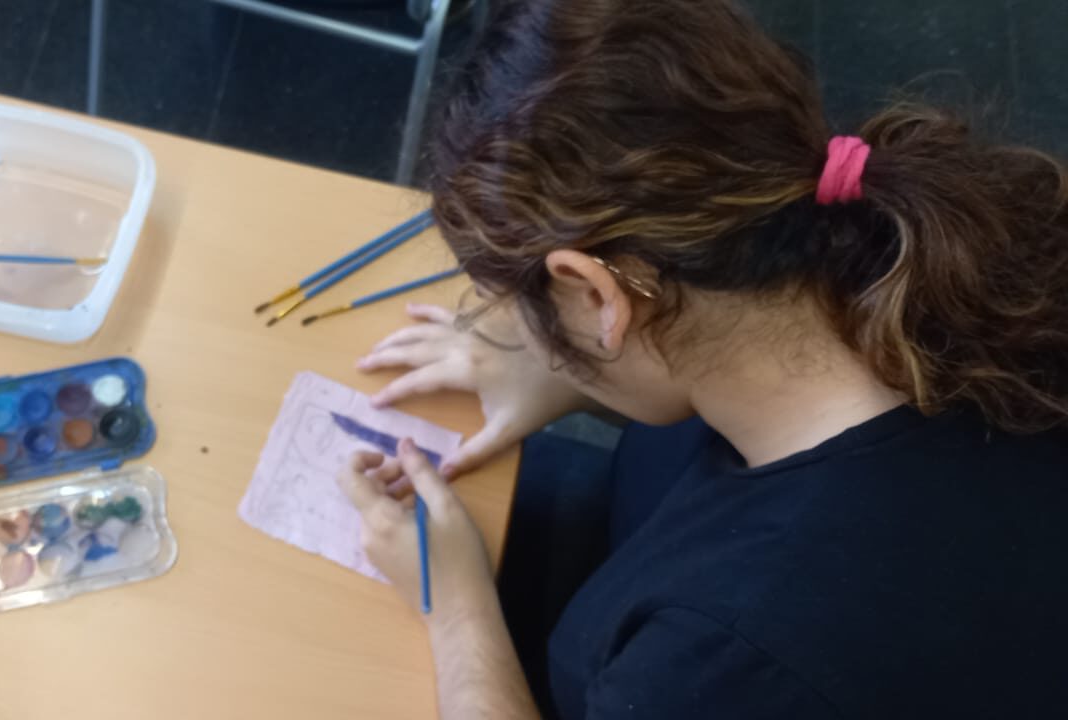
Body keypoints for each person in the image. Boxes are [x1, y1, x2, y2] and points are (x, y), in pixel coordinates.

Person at [334, 0, 1068, 718]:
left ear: (598, 296)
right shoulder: (887, 262)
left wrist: (453, 602)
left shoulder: (738, 653)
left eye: (518, 308)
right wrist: (570, 379)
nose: (524, 334)